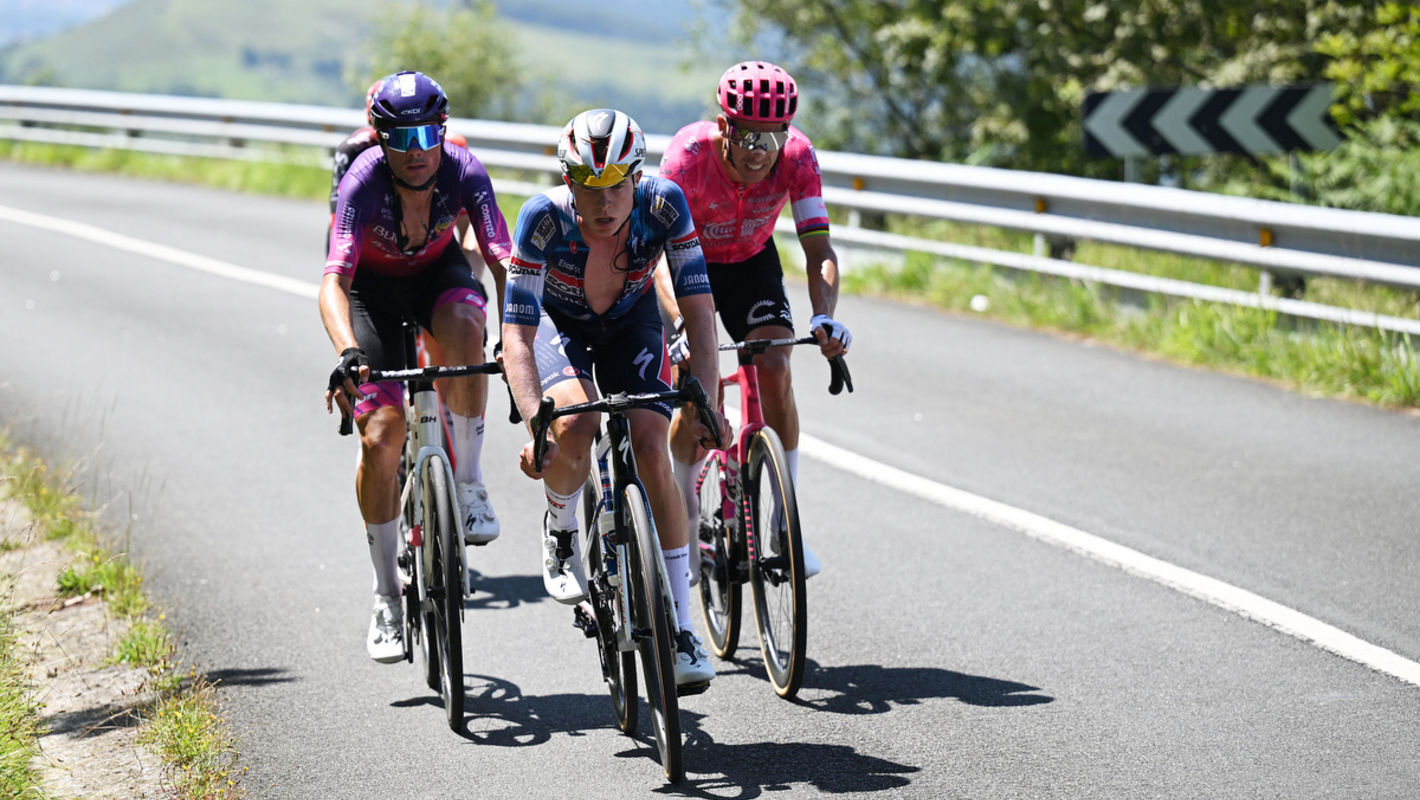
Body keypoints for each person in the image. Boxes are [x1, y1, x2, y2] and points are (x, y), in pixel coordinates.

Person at [501, 108, 728, 691]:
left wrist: (709, 407)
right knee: (573, 429)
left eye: (617, 187)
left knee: (654, 447)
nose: (604, 204)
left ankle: (681, 626)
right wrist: (536, 429)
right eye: (589, 187)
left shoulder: (665, 206)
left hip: (631, 323)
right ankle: (561, 531)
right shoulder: (542, 220)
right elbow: (518, 335)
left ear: (637, 178)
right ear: (569, 182)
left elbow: (700, 314)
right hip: (561, 326)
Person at [320, 70, 511, 663]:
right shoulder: (362, 182)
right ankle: (386, 596)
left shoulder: (463, 170)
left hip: (435, 274)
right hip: (370, 293)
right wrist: (347, 352)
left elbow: (504, 258)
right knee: (381, 436)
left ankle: (471, 483)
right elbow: (333, 281)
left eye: (428, 135)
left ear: (443, 131)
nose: (417, 150)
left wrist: (516, 335)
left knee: (465, 330)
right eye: (402, 138)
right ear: (380, 138)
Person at [656, 60, 852, 582]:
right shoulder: (687, 156)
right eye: (748, 136)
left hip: (750, 262)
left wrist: (824, 317)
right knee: (701, 395)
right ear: (724, 127)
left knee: (776, 365)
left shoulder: (798, 156)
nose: (761, 152)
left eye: (773, 137)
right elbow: (656, 257)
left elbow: (819, 248)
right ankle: (686, 512)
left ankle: (786, 524)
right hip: (686, 263)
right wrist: (681, 325)